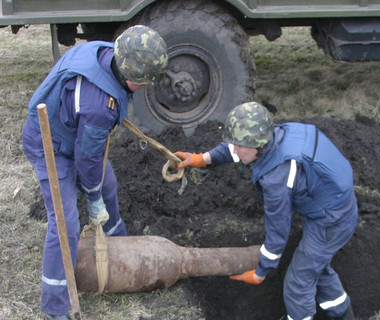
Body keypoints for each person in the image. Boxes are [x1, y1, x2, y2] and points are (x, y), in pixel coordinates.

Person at [21, 25, 168, 320]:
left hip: (74, 133)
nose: (148, 86)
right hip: (50, 143)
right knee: (65, 224)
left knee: (108, 185)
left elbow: (90, 153)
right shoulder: (99, 105)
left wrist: (100, 190)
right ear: (130, 78)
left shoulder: (107, 52)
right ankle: (55, 305)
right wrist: (92, 197)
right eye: (145, 82)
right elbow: (87, 158)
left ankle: (119, 246)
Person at [174, 102, 358, 320]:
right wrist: (202, 159)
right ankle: (343, 314)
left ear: (259, 145)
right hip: (330, 205)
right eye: (235, 143)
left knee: (297, 283)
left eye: (241, 146)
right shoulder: (276, 135)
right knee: (315, 267)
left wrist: (262, 270)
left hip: (332, 221)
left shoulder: (277, 178)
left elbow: (278, 230)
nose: (236, 149)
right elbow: (237, 149)